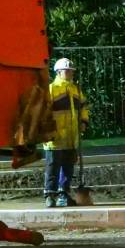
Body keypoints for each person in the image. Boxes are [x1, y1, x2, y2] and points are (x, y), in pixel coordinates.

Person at [43, 57, 89, 207]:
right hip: (54, 138)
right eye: (67, 70)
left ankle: (64, 193)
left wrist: (83, 121)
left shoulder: (76, 90)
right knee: (53, 167)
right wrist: (48, 130)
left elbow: (83, 107)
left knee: (68, 167)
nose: (70, 73)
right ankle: (50, 194)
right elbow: (43, 112)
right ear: (58, 72)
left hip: (70, 137)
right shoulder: (51, 89)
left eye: (71, 71)